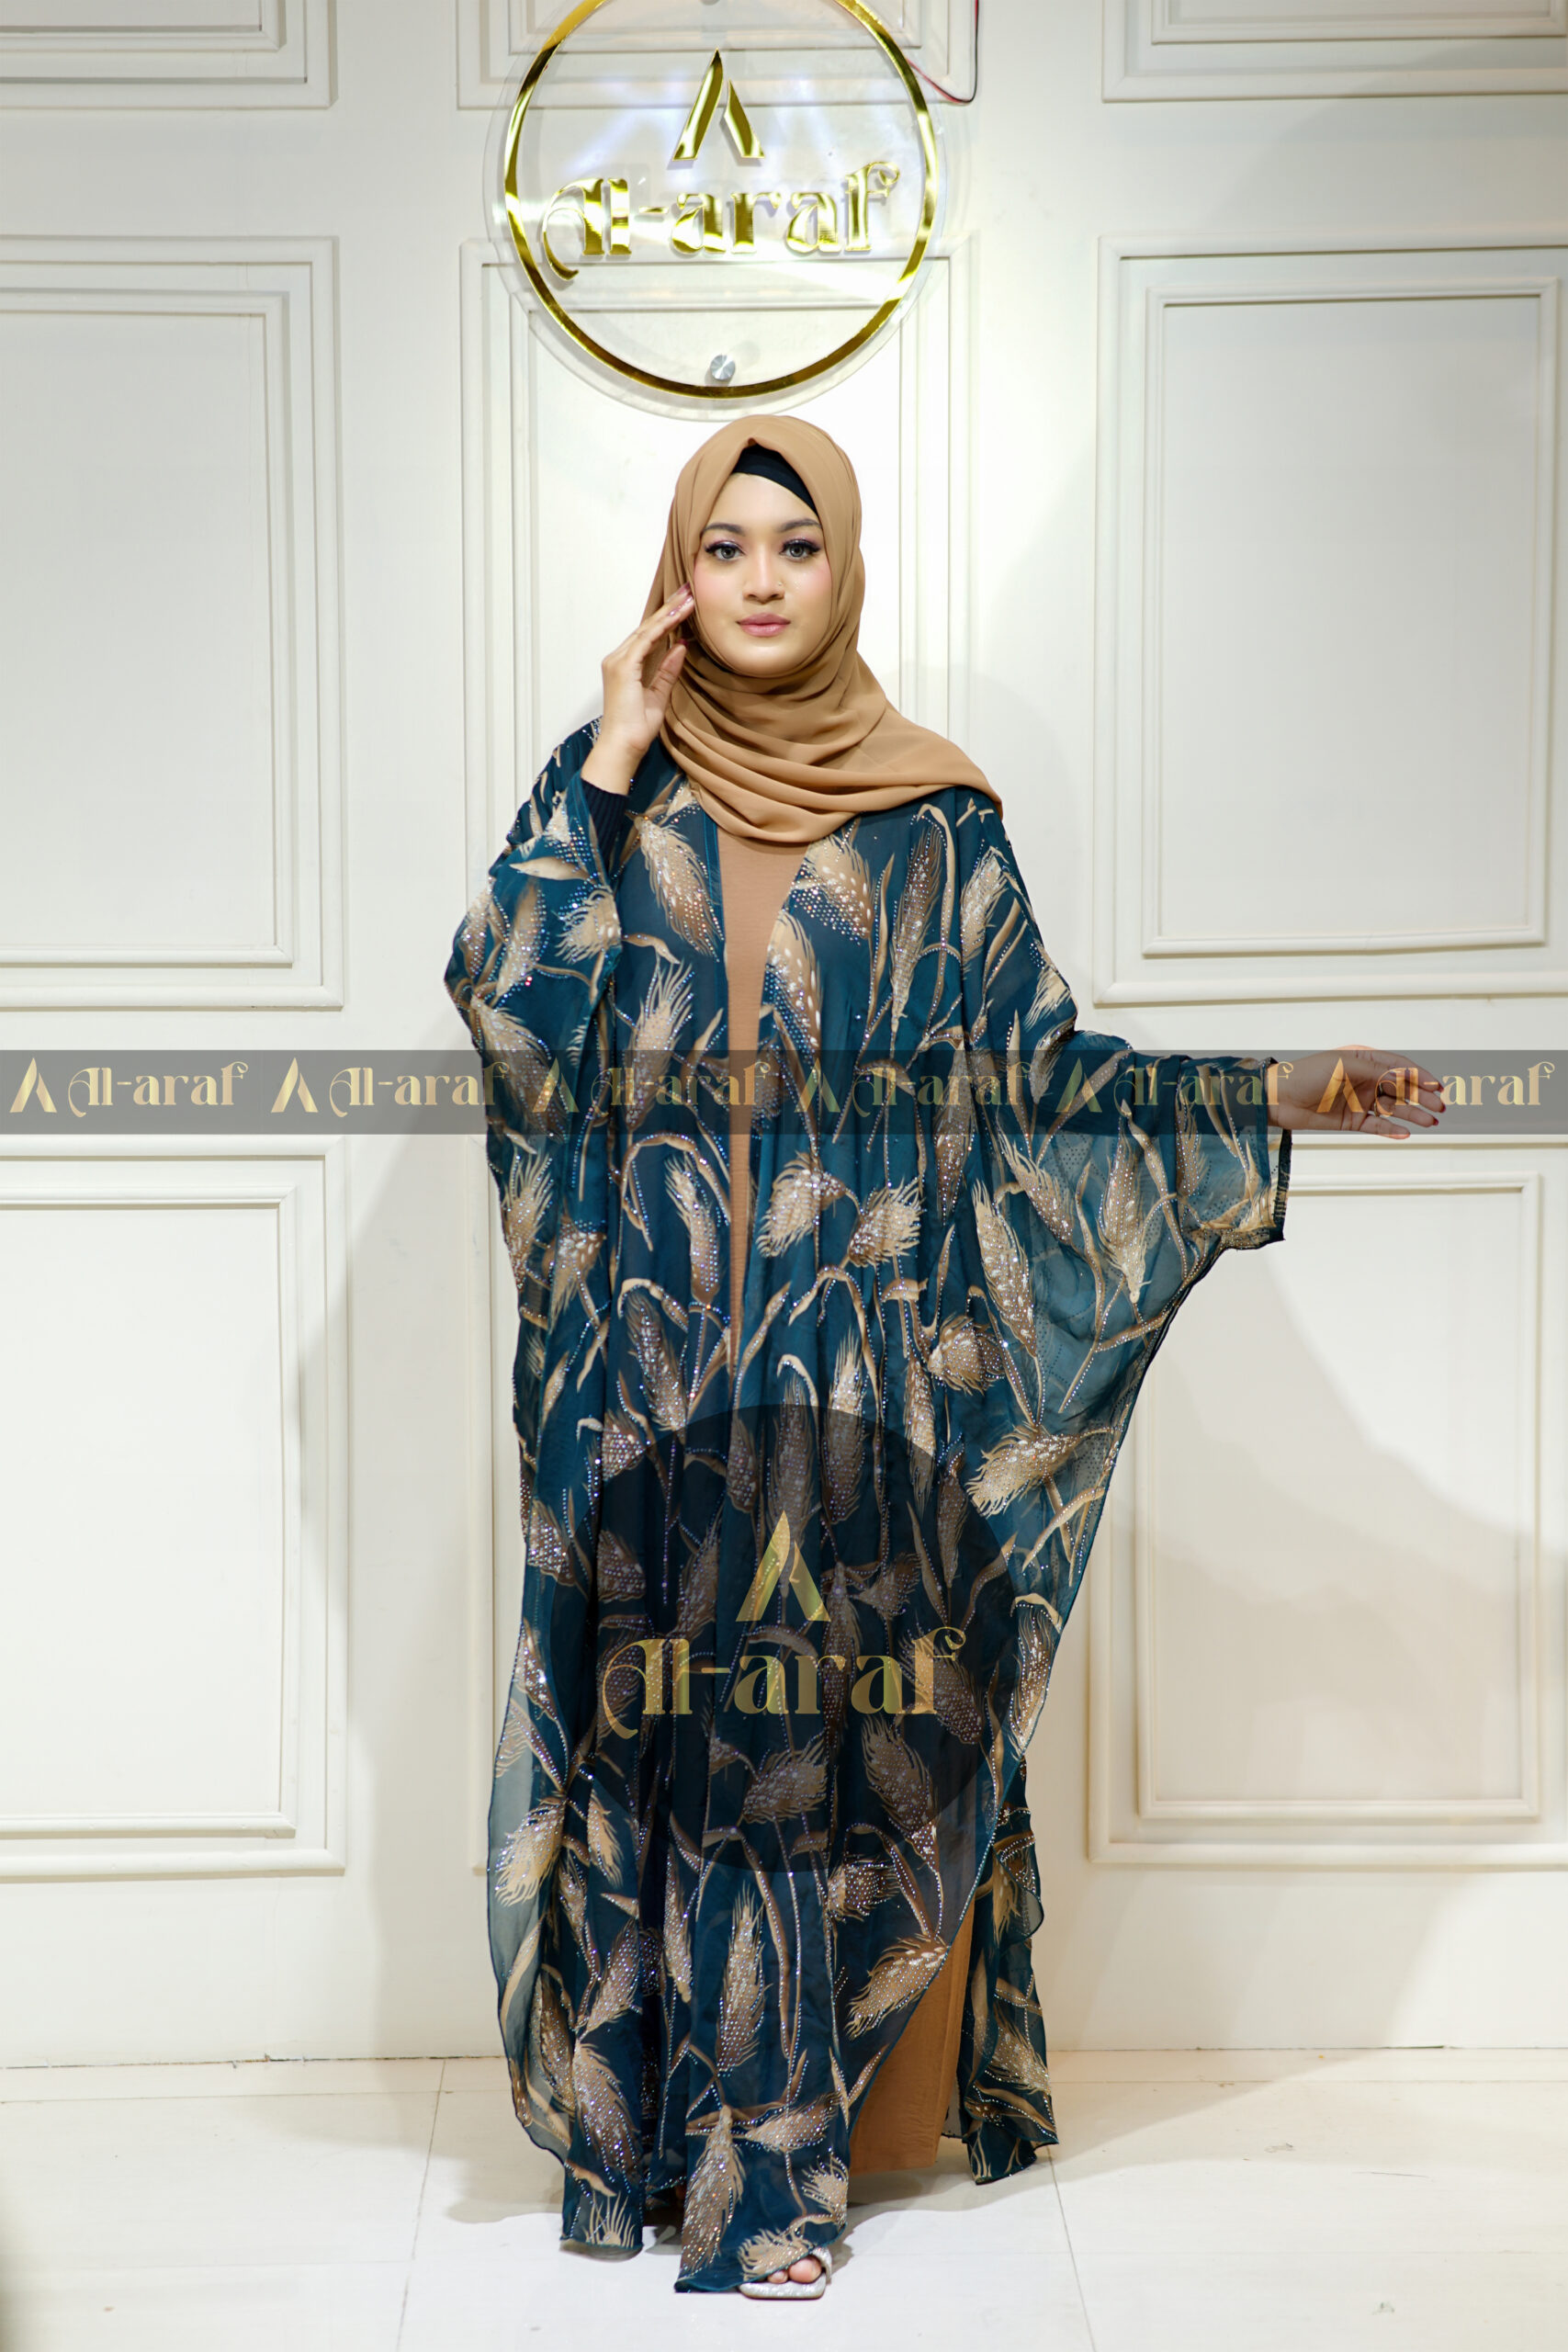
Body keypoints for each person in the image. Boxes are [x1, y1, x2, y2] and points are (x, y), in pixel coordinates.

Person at [445, 416, 1443, 2301]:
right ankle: (651, 2144)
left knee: (794, 1758)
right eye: (723, 546)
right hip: (646, 1374)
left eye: (795, 546)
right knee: (660, 1739)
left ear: (846, 570)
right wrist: (608, 744)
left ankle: (772, 2188)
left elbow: (1048, 1081)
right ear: (676, 576)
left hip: (844, 1385)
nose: (758, 580)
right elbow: (510, 1004)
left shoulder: (934, 825)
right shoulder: (611, 801)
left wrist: (1279, 1086)